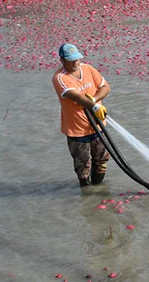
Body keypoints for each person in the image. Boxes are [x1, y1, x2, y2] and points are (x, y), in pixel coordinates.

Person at [52, 43, 111, 188]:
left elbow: (105, 86)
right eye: (71, 60)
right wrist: (95, 106)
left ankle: (97, 189)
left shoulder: (88, 69)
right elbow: (75, 96)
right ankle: (86, 191)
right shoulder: (60, 78)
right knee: (83, 166)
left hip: (97, 125)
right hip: (77, 130)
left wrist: (95, 99)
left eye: (77, 59)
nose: (76, 63)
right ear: (62, 60)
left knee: (102, 160)